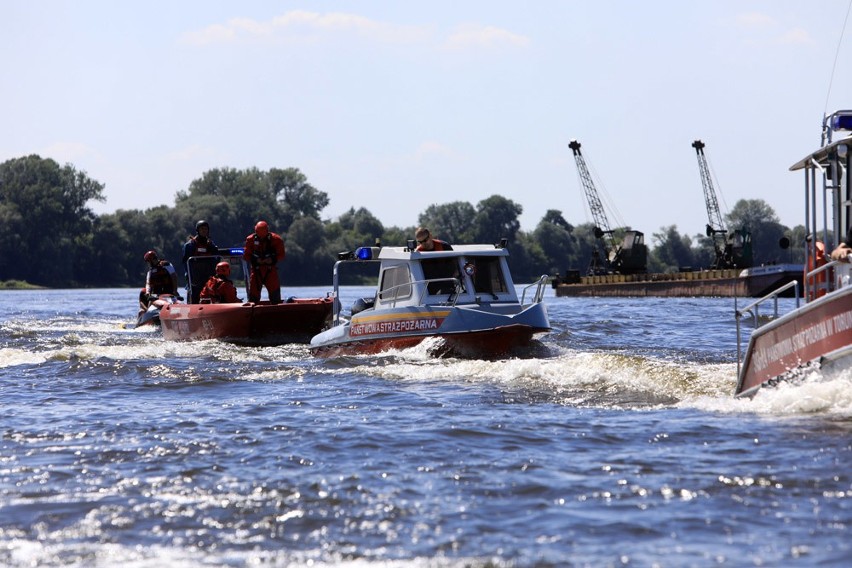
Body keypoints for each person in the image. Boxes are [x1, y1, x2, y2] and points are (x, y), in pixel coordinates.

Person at [243, 220, 286, 303]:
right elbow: (246, 256)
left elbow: (282, 255)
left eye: (263, 235)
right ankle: (252, 311)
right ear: (256, 231)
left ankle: (276, 309)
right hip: (256, 271)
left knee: (275, 296)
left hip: (270, 270)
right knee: (253, 297)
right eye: (259, 235)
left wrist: (272, 259)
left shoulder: (276, 239)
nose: (261, 238)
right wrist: (256, 260)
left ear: (267, 231)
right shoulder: (250, 240)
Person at [182, 220, 219, 303]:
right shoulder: (190, 245)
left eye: (206, 229)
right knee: (195, 296)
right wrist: (189, 276)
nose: (204, 231)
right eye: (202, 229)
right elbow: (186, 262)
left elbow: (217, 258)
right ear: (197, 230)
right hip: (195, 277)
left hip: (208, 275)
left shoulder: (211, 245)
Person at [138, 250, 180, 319]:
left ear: (152, 260)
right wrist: (148, 293)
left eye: (148, 261)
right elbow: (148, 283)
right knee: (151, 300)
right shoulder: (150, 271)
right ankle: (147, 316)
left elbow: (174, 277)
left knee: (174, 301)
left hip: (169, 292)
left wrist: (175, 291)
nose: (148, 264)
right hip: (156, 294)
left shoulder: (167, 265)